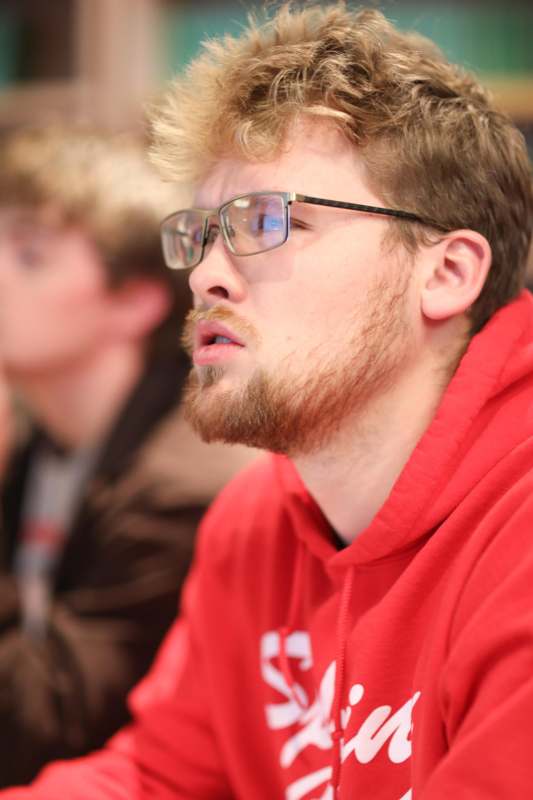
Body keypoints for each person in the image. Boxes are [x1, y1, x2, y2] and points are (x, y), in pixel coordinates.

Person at [2, 3, 533, 797]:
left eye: (265, 221)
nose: (208, 275)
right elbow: (154, 777)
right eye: (203, 232)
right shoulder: (252, 524)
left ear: (446, 273)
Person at [0, 126, 254, 786]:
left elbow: (48, 731)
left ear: (135, 301)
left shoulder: (186, 490)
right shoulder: (39, 441)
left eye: (28, 255)